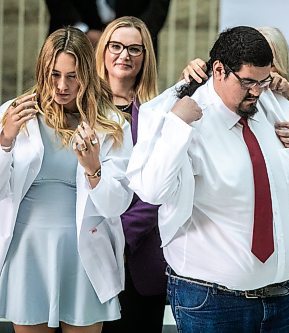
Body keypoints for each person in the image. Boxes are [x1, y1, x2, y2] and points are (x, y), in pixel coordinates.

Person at [127, 26, 289, 332]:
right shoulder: (174, 113)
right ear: (218, 70)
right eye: (247, 82)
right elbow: (152, 190)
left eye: (262, 81)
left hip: (283, 300)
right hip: (211, 303)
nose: (256, 92)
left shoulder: (270, 104)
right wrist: (177, 127)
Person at [0, 27, 133, 332]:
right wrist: (5, 141)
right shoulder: (14, 114)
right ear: (42, 70)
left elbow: (118, 205)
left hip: (84, 253)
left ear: (86, 73)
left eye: (72, 76)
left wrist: (93, 169)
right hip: (27, 250)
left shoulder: (112, 124)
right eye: (54, 74)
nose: (62, 85)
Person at [95, 16, 167, 333]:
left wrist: (121, 237)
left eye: (135, 49)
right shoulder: (78, 107)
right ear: (103, 51)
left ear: (145, 57)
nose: (125, 55)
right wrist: (100, 236)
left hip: (138, 254)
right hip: (88, 249)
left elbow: (159, 185)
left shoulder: (159, 113)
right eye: (116, 46)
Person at [181, 26, 289, 130]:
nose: (255, 90)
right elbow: (180, 103)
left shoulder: (285, 97)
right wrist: (188, 74)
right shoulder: (222, 84)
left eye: (266, 63)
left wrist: (288, 89)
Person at [45, 0, 170, 53]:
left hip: (135, 43)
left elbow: (157, 7)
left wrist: (135, 36)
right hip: (77, 39)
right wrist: (83, 31)